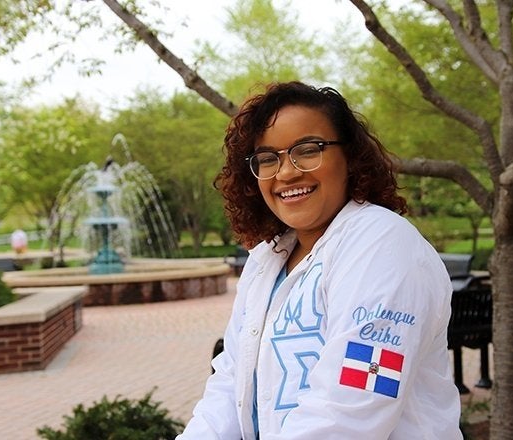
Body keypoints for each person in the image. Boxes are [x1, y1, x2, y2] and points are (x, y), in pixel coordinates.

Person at [177, 81, 462, 439]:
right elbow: (230, 384)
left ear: (350, 158)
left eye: (307, 150)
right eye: (268, 158)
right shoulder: (269, 256)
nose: (286, 173)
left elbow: (351, 409)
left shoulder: (383, 245)